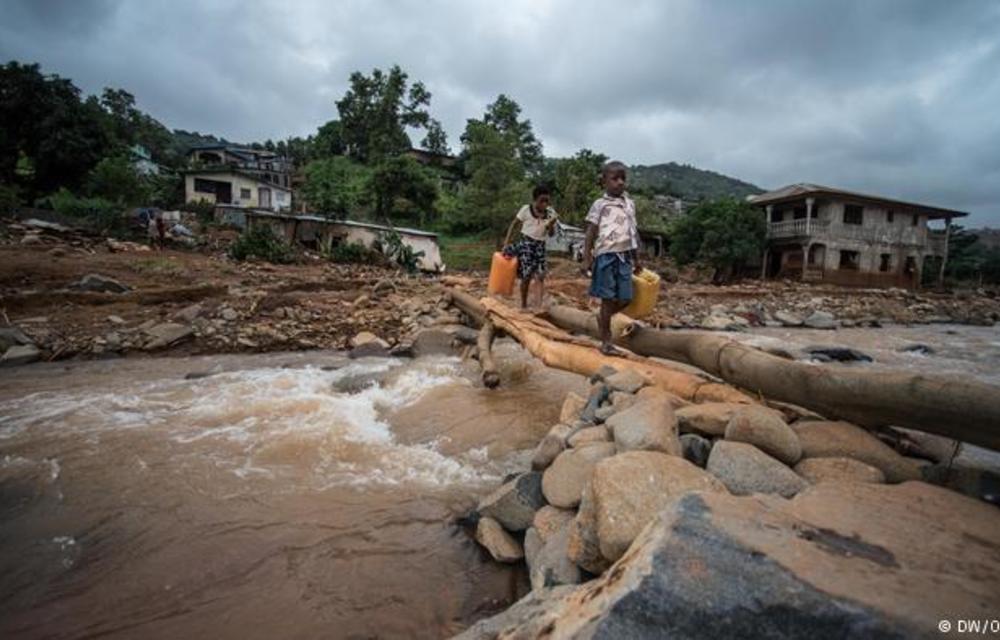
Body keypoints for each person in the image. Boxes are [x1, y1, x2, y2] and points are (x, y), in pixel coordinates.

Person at [582, 161, 641, 356]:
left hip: (625, 257)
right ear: (604, 182)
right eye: (615, 178)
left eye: (623, 178)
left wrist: (637, 259)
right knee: (607, 299)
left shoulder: (629, 204)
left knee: (626, 298)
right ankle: (606, 343)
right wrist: (586, 257)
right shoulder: (600, 204)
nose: (620, 182)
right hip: (605, 255)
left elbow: (633, 232)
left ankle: (603, 318)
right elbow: (590, 231)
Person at [503, 185, 558, 309]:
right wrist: (506, 242)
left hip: (540, 245)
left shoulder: (551, 213)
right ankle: (523, 304)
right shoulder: (526, 210)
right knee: (526, 276)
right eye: (542, 201)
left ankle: (538, 306)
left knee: (540, 275)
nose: (545, 204)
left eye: (547, 201)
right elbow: (514, 224)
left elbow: (551, 234)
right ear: (535, 200)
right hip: (527, 243)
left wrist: (551, 225)